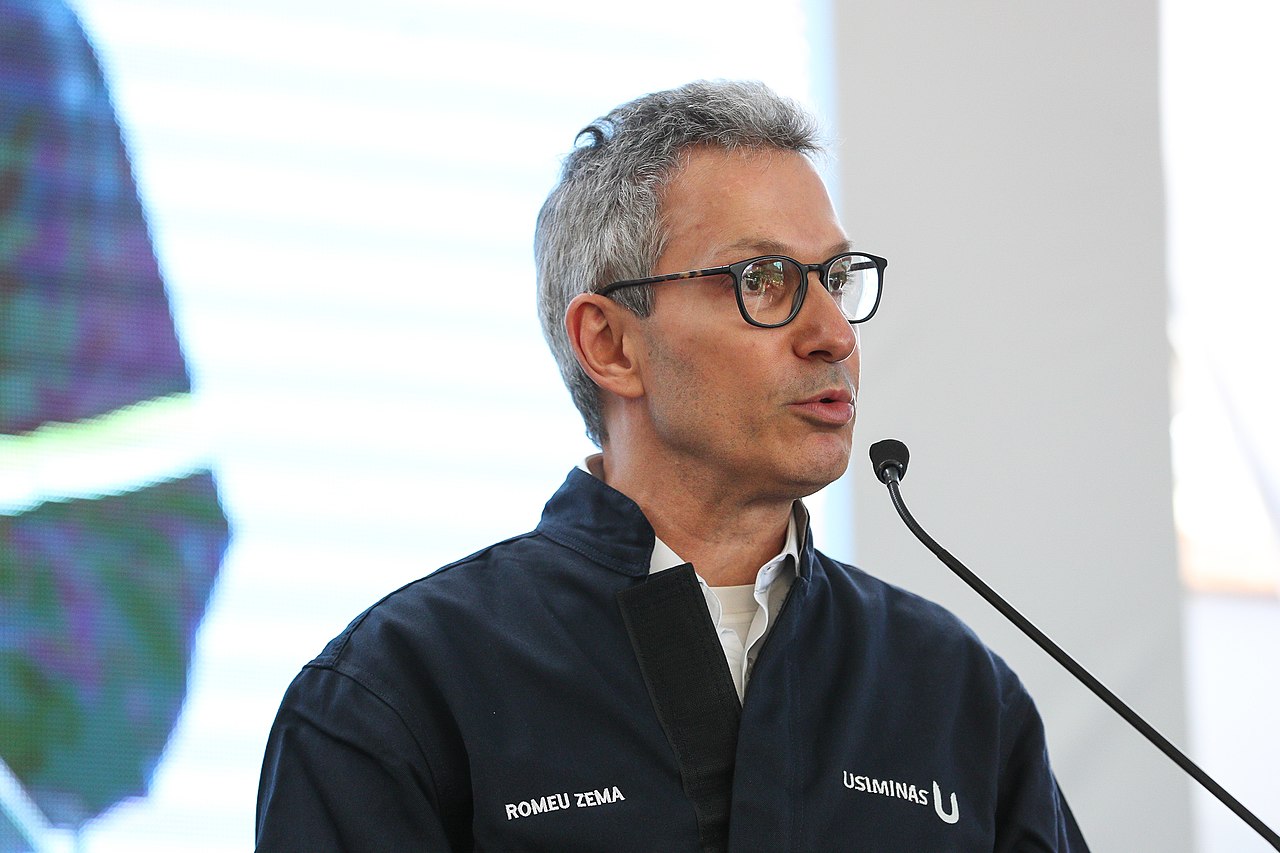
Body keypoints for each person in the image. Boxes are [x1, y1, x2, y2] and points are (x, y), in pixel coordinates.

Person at [255, 80, 1088, 852]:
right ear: (611, 344)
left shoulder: (950, 688)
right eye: (765, 279)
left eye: (835, 277)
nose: (834, 332)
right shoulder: (396, 690)